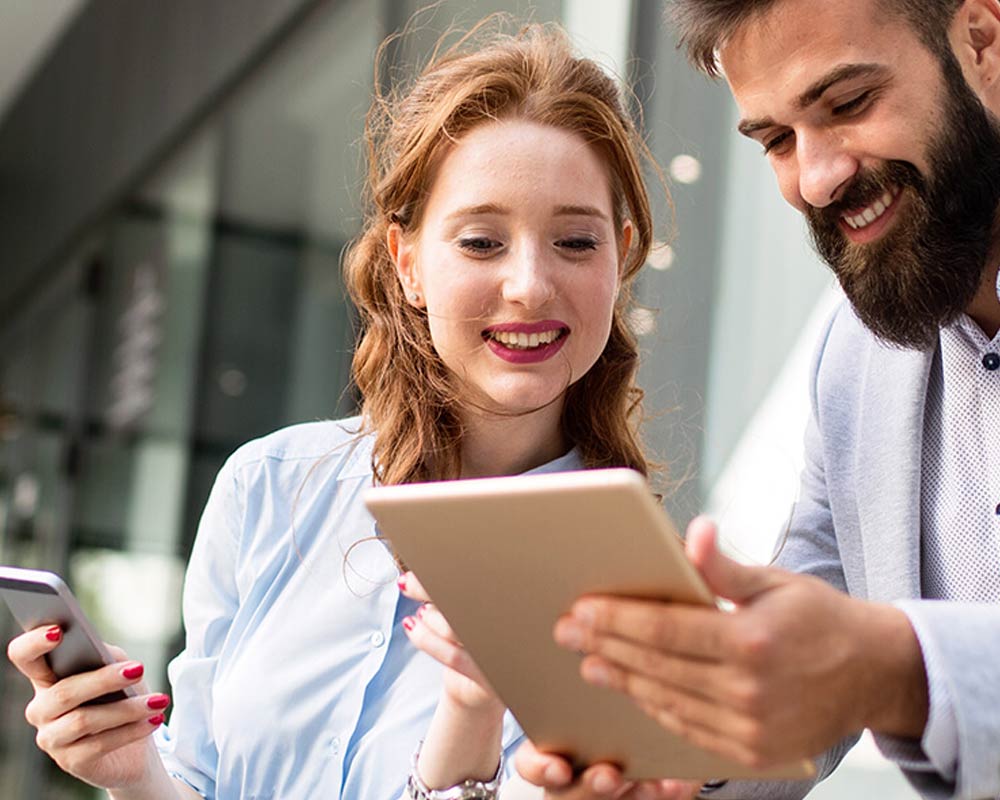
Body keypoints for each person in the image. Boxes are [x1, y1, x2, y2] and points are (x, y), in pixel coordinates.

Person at [5, 20, 668, 800]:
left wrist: (474, 709)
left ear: (622, 258)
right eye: (483, 242)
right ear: (408, 263)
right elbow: (201, 779)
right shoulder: (270, 486)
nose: (528, 284)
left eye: (576, 243)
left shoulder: (634, 589)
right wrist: (133, 773)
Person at [516, 0, 1000, 799]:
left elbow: (862, 660)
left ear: (981, 42)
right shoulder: (852, 361)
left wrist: (893, 668)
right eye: (776, 139)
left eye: (848, 105)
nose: (816, 178)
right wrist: (669, 754)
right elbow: (810, 658)